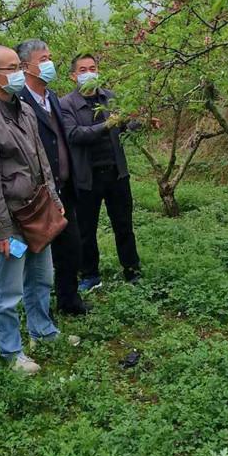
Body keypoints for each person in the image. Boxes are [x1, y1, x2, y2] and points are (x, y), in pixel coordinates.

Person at [0, 44, 76, 375]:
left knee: (42, 278)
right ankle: (11, 351)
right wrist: (0, 230)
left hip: (38, 210)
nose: (19, 73)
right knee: (8, 289)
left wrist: (53, 199)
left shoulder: (23, 108)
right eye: (11, 68)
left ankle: (43, 329)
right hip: (12, 218)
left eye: (19, 66)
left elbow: (41, 159)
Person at [16, 38, 90, 316]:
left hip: (64, 187)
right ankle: (38, 310)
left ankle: (69, 301)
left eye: (50, 58)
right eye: (43, 60)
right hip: (38, 193)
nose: (50, 64)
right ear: (25, 67)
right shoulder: (20, 103)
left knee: (71, 247)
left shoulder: (53, 98)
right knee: (39, 254)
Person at [60, 53, 141, 292]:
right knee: (86, 229)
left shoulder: (110, 98)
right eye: (83, 69)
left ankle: (132, 270)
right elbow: (74, 135)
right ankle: (90, 274)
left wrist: (141, 122)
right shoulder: (66, 105)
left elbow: (125, 124)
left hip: (116, 173)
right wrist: (107, 125)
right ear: (73, 75)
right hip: (87, 176)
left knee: (124, 225)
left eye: (92, 68)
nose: (89, 73)